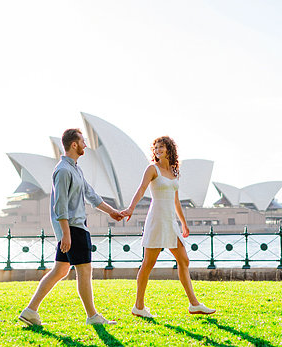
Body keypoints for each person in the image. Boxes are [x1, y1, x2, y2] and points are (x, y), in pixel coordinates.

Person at [18, 128, 124, 327]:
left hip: (74, 228)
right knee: (84, 271)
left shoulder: (75, 168)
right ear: (74, 144)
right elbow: (60, 205)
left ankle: (30, 311)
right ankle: (92, 316)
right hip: (73, 228)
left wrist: (112, 212)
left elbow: (90, 194)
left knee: (60, 271)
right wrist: (66, 234)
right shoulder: (63, 170)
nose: (85, 144)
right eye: (83, 141)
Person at [122, 136, 215, 318]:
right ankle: (138, 306)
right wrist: (130, 208)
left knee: (184, 260)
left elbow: (176, 200)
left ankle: (194, 304)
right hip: (156, 220)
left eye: (161, 147)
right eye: (156, 147)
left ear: (169, 149)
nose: (158, 150)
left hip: (170, 221)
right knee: (148, 264)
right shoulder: (152, 169)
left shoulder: (174, 171)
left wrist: (184, 223)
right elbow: (141, 190)